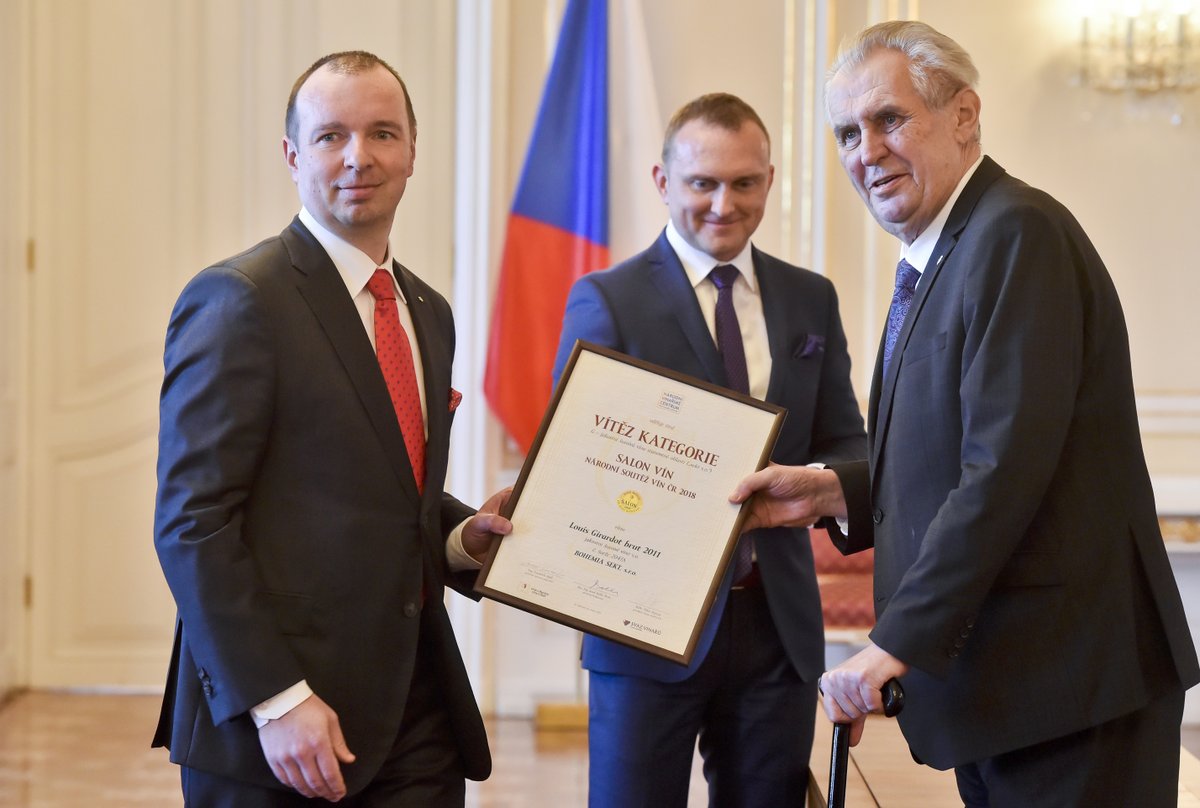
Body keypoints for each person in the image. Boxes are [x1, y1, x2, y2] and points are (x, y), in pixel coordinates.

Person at [731, 20, 1200, 807]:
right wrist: (832, 489)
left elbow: (1005, 468)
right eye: (847, 132)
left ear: (964, 115)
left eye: (888, 119)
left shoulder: (1016, 233)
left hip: (1071, 692)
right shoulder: (945, 249)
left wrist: (892, 644)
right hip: (1015, 694)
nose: (864, 151)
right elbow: (953, 449)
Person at [152, 51, 513, 807]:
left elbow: (390, 492)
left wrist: (459, 539)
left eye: (383, 133)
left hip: (418, 713)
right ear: (292, 155)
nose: (359, 157)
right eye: (330, 136)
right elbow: (193, 525)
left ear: (413, 149)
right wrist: (277, 699)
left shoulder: (428, 311)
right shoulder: (238, 300)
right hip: (273, 728)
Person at [552, 92, 867, 808]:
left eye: (744, 183)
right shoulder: (607, 299)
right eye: (703, 183)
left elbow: (848, 439)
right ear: (664, 183)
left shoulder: (809, 299)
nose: (724, 204)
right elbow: (572, 465)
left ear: (769, 180)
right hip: (642, 627)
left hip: (776, 626)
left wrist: (814, 481)